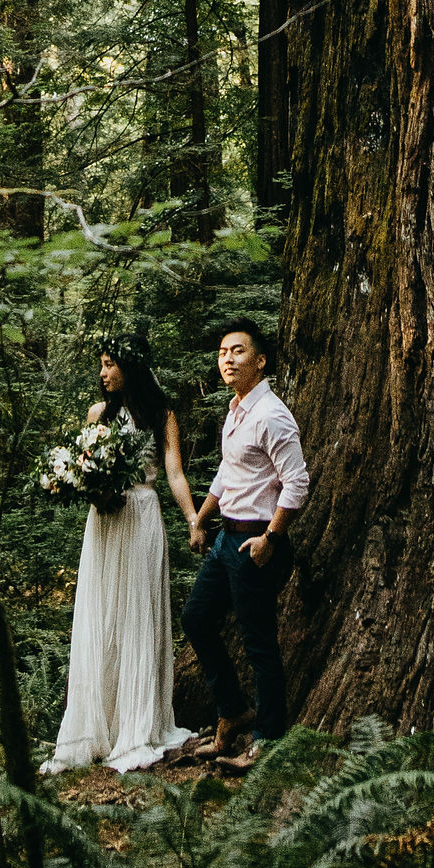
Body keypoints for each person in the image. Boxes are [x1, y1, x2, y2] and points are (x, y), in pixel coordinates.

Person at [46, 342, 199, 774]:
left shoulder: (161, 415)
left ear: (129, 367)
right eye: (100, 366)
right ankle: (99, 727)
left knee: (136, 616)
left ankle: (138, 725)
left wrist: (192, 519)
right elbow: (85, 468)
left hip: (143, 516)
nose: (103, 374)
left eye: (109, 365)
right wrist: (89, 488)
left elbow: (173, 471)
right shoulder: (98, 415)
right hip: (105, 521)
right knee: (104, 615)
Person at [184, 319, 310, 767]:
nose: (227, 360)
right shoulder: (237, 410)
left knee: (259, 643)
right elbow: (227, 472)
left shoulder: (272, 414)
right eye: (222, 352)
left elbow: (297, 483)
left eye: (237, 352)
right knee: (196, 618)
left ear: (260, 360)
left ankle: (267, 740)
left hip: (257, 543)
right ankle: (234, 712)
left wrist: (271, 538)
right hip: (225, 539)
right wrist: (201, 518)